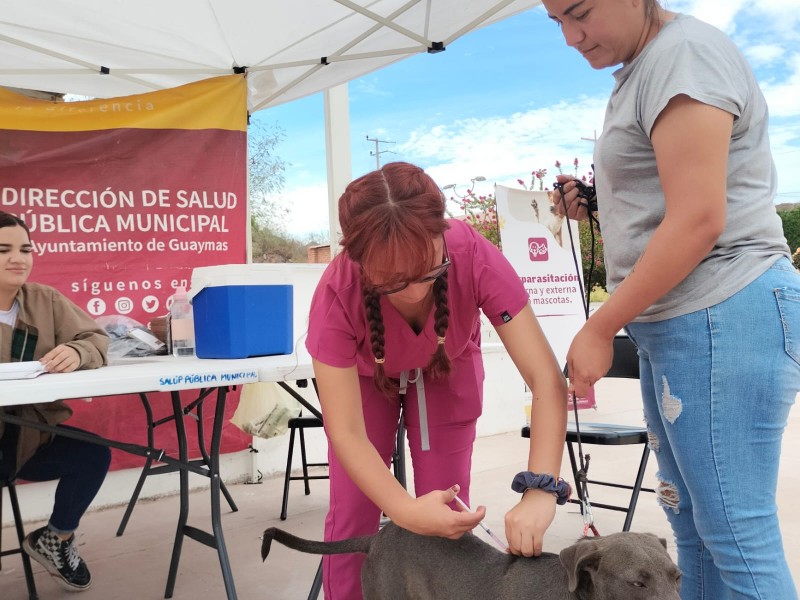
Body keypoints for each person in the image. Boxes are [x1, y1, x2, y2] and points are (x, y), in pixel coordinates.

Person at [546, 1, 800, 598]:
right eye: (555, 20)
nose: (569, 36)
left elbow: (698, 218)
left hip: (721, 309)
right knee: (692, 529)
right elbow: (672, 197)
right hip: (688, 322)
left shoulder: (682, 55)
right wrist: (598, 201)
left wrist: (599, 326)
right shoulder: (646, 66)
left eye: (579, 12)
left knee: (736, 538)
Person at [306, 161, 568, 599]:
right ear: (359, 263)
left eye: (428, 272)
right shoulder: (337, 292)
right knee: (355, 511)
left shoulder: (472, 254)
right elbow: (347, 432)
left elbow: (545, 378)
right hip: (368, 378)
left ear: (442, 233)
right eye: (393, 282)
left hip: (448, 368)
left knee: (447, 519)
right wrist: (402, 509)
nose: (414, 293)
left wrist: (542, 487)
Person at [0, 211, 110, 592]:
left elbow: (96, 339)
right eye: (4, 249)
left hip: (30, 435)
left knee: (92, 455)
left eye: (25, 249)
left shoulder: (44, 299)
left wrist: (78, 352)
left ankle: (57, 539)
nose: (18, 258)